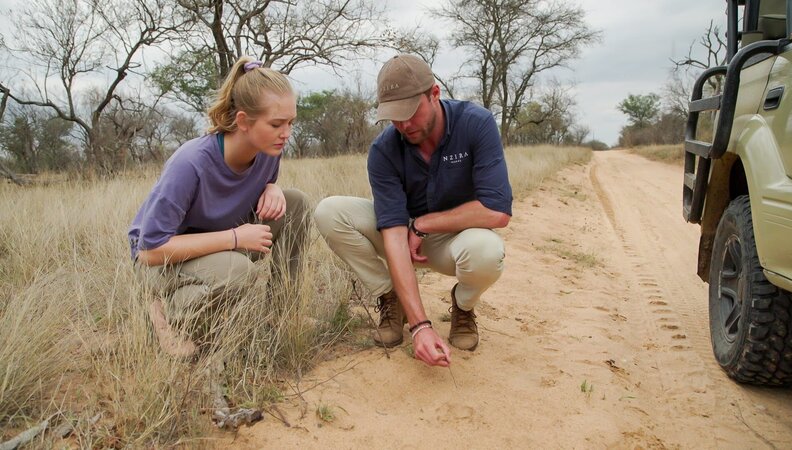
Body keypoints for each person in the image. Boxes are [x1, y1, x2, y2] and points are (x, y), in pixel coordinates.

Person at [313, 54, 512, 367]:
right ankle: (391, 298)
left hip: (456, 240)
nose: (404, 124)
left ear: (434, 94)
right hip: (404, 240)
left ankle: (463, 306)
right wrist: (421, 326)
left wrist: (425, 224)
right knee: (329, 211)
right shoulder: (384, 150)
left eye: (410, 112)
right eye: (394, 116)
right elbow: (393, 234)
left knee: (488, 250)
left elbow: (497, 210)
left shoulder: (476, 123)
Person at [128, 56, 310, 358]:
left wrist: (272, 187)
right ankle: (162, 315)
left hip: (220, 243)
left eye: (291, 122)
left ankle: (281, 314)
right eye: (276, 124)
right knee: (238, 272)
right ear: (243, 121)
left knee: (297, 203)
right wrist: (236, 239)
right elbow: (150, 250)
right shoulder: (190, 164)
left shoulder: (269, 151)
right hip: (162, 261)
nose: (286, 133)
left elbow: (253, 189)